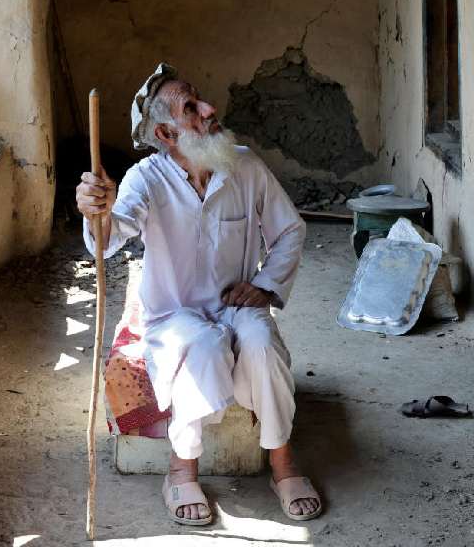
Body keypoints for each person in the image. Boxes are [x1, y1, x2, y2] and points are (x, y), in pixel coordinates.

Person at [76, 64, 321, 525]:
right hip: (175, 316)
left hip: (236, 306)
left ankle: (283, 464)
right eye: (192, 107)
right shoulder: (145, 179)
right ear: (167, 132)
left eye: (201, 99)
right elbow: (108, 239)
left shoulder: (244, 166)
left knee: (262, 345)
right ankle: (180, 469)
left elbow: (290, 230)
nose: (210, 110)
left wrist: (266, 285)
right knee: (204, 346)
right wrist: (95, 210)